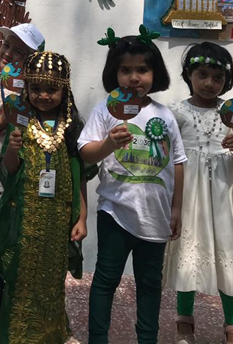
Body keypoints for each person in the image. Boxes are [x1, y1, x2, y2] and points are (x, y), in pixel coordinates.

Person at [78, 26, 186, 344]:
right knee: (105, 280)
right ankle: (98, 338)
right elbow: (85, 152)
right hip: (116, 211)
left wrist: (177, 208)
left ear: (155, 73)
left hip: (156, 217)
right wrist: (108, 144)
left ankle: (147, 338)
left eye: (142, 70)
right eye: (125, 70)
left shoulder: (164, 115)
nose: (134, 78)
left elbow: (178, 162)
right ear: (114, 73)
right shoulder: (105, 110)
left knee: (150, 284)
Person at [163, 42, 233, 344]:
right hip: (189, 194)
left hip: (224, 193)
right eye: (202, 74)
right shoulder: (176, 112)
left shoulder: (232, 111)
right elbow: (169, 156)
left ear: (226, 80)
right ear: (189, 74)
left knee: (227, 250)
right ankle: (184, 318)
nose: (209, 83)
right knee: (188, 250)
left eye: (218, 77)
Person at [0, 51, 87, 344]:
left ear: (64, 90)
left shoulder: (71, 126)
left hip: (58, 218)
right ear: (27, 89)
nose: (43, 95)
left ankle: (51, 333)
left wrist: (82, 217)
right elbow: (9, 169)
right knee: (21, 275)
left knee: (52, 277)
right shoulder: (20, 120)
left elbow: (80, 176)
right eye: (36, 88)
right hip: (23, 215)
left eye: (51, 89)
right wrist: (12, 148)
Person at [0, 22, 45, 326]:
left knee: (24, 233)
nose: (8, 54)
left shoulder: (40, 92)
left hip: (29, 173)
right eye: (7, 46)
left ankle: (21, 298)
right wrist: (6, 112)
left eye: (19, 52)